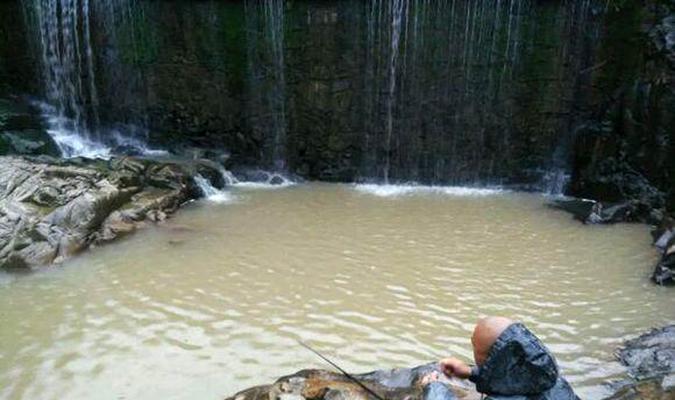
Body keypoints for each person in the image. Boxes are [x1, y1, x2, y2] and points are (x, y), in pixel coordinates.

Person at [422, 317, 580, 400]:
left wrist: (433, 388)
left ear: (490, 359)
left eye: (475, 347)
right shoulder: (555, 382)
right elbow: (515, 377)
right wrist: (471, 372)